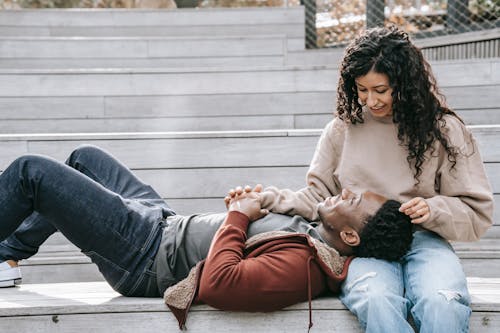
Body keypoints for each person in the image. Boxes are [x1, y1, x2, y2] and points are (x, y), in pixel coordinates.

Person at [228, 26, 494, 332]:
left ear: (405, 84)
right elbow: (318, 198)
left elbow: (477, 212)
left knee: (441, 301)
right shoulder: (342, 129)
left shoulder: (443, 130)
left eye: (381, 90)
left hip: (424, 239)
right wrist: (263, 199)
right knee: (376, 300)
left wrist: (433, 210)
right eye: (361, 90)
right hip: (360, 247)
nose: (370, 101)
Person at [0, 145, 412, 320]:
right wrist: (253, 209)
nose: (346, 193)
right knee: (83, 159)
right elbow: (248, 234)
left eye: (354, 202)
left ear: (352, 238)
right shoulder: (316, 233)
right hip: (162, 221)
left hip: (143, 255)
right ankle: (9, 256)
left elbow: (220, 282)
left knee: (31, 173)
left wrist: (237, 216)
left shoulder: (303, 268)